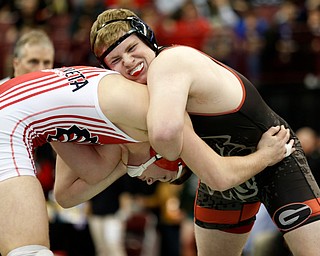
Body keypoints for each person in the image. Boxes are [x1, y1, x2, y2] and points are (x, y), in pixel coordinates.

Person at [90, 8, 320, 255]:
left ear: (149, 39)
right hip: (227, 171)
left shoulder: (168, 63)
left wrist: (153, 159)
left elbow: (165, 137)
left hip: (276, 158)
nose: (127, 61)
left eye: (132, 48)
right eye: (115, 60)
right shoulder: (145, 92)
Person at [0, 65, 290, 256]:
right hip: (10, 122)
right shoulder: (163, 120)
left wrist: (125, 164)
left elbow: (65, 196)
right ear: (167, 153)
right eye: (162, 176)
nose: (148, 180)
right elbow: (220, 177)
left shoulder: (111, 139)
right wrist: (265, 156)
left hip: (16, 114)